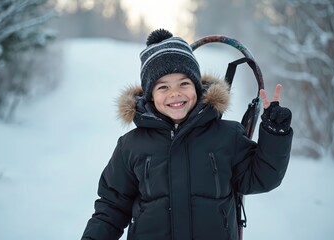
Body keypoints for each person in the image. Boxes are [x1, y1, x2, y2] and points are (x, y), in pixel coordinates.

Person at [81, 29, 293, 240]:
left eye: (184, 83)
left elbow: (261, 178)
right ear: (150, 96)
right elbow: (111, 208)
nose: (175, 93)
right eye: (163, 87)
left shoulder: (227, 135)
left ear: (197, 88)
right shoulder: (131, 145)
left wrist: (275, 135)